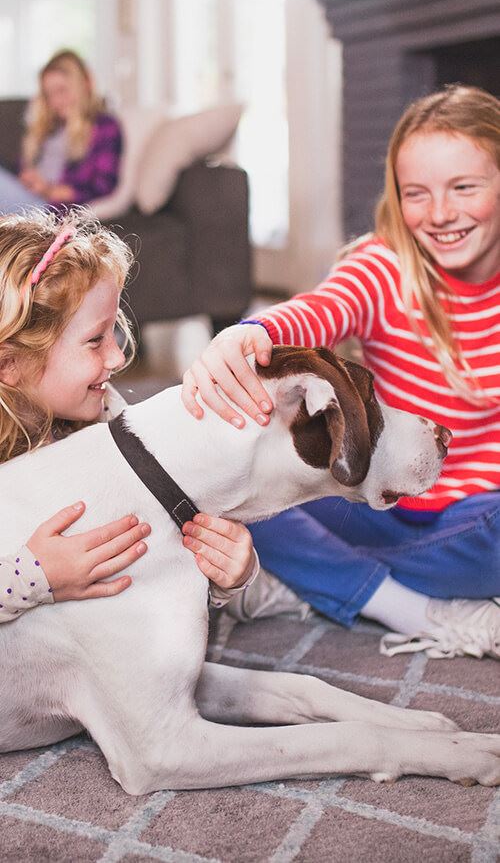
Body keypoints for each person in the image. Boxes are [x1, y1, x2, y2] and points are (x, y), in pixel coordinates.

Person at [182, 84, 500, 661]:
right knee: (232, 485)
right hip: (371, 501)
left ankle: (313, 579)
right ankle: (408, 606)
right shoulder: (383, 266)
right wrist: (251, 335)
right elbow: (319, 310)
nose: (441, 213)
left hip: (478, 520)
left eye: (465, 187)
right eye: (416, 193)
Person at [0, 207, 257, 623]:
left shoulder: (105, 411)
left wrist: (232, 577)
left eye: (114, 332)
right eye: (94, 340)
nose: (118, 357)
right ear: (9, 365)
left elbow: (159, 559)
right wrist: (36, 576)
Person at [0, 50, 122, 214]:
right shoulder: (50, 126)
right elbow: (23, 168)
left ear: (85, 83)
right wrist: (26, 178)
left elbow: (102, 186)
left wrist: (48, 190)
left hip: (47, 209)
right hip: (27, 196)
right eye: (49, 94)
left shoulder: (104, 127)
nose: (55, 102)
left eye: (62, 90)